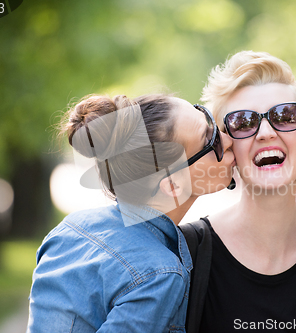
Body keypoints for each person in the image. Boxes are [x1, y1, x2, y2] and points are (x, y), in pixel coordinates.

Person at [27, 93, 235, 333]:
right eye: (210, 140)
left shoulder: (71, 227)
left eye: (207, 118)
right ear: (173, 183)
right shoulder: (159, 274)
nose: (228, 140)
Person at [183, 51, 296, 332]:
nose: (265, 132)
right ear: (225, 145)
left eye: (284, 116)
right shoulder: (186, 254)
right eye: (243, 122)